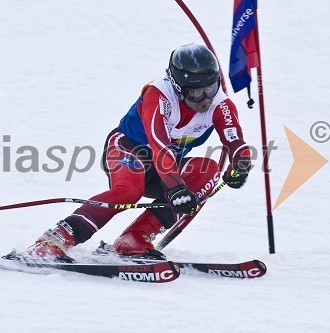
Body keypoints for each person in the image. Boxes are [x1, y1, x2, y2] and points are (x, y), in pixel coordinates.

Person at [27, 43, 252, 262]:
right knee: (128, 191)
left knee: (207, 171)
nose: (205, 99)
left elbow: (235, 141)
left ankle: (134, 237)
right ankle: (57, 237)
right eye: (195, 93)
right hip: (129, 149)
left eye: (210, 88)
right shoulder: (159, 95)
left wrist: (240, 164)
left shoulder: (221, 104)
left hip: (165, 166)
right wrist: (175, 187)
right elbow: (159, 145)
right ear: (178, 87)